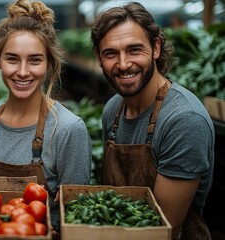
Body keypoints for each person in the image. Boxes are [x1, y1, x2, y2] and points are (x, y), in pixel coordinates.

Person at [0, 0, 92, 231]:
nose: (22, 71)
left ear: (49, 63)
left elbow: (73, 218)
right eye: (12, 59)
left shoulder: (68, 129)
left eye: (34, 60)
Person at [91, 2, 214, 240]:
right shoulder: (113, 110)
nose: (124, 64)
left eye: (134, 50)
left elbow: (165, 229)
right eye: (110, 53)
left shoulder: (183, 120)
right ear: (98, 58)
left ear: (156, 48)